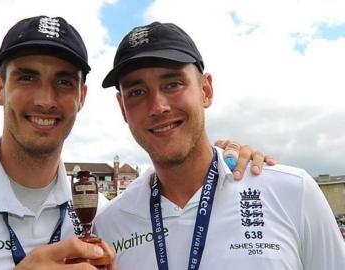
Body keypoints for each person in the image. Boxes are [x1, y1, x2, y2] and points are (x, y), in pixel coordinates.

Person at [0, 16, 270, 270]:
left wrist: (226, 159)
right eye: (26, 77)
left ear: (81, 97)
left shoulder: (109, 219)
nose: (45, 98)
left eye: (63, 81)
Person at [95, 21, 345, 270]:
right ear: (122, 108)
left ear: (206, 90)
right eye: (137, 92)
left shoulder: (293, 192)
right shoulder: (108, 224)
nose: (158, 106)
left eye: (173, 84)